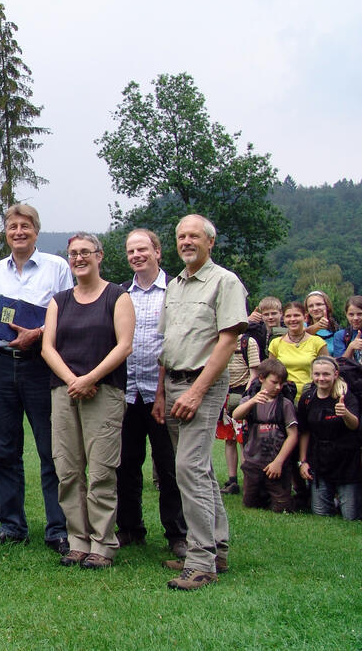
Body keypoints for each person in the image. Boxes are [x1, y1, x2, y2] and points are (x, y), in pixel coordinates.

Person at [154, 214, 247, 591]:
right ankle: (217, 549)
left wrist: (196, 392)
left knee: (189, 469)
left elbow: (227, 341)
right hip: (173, 383)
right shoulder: (175, 285)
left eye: (194, 235)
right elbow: (168, 343)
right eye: (181, 236)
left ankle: (200, 561)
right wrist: (161, 392)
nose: (186, 241)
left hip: (201, 386)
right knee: (201, 471)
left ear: (211, 242)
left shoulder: (225, 282)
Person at [0, 204, 72, 553]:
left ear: (36, 231)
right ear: (6, 233)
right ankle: (13, 525)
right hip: (2, 365)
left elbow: (68, 315)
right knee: (4, 450)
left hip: (40, 365)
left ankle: (58, 528)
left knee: (50, 449)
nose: (19, 232)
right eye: (13, 226)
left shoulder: (57, 267)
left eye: (25, 226)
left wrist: (39, 333)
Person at [41, 234, 134, 568]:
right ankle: (78, 540)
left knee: (101, 471)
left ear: (99, 256)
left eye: (85, 253)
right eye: (73, 254)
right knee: (67, 470)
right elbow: (47, 348)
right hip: (65, 392)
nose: (79, 258)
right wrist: (73, 381)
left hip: (104, 392)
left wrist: (90, 378)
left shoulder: (117, 296)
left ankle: (102, 544)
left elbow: (124, 345)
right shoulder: (59, 301)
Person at [115, 229, 187, 558]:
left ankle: (177, 534)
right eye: (131, 251)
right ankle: (130, 528)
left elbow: (173, 344)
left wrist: (161, 393)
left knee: (169, 466)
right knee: (126, 465)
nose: (136, 255)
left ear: (157, 251)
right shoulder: (121, 294)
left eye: (142, 249)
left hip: (162, 393)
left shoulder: (175, 290)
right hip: (127, 393)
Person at [297, 356, 360, 520]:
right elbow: (304, 431)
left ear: (335, 374)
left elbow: (355, 425)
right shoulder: (307, 398)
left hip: (346, 462)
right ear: (312, 375)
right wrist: (303, 462)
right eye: (317, 374)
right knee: (321, 515)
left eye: (326, 374)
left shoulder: (346, 396)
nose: (321, 378)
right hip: (319, 461)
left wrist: (345, 413)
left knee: (351, 517)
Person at [231, 358, 298, 513]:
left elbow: (293, 435)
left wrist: (279, 462)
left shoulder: (285, 404)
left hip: (276, 462)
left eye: (281, 383)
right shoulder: (249, 400)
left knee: (282, 507)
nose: (278, 387)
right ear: (261, 378)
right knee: (250, 504)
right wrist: (252, 401)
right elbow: (236, 415)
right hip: (253, 462)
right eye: (274, 382)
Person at [218, 318, 261, 496]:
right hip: (224, 394)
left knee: (243, 439)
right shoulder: (220, 340)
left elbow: (254, 372)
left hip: (242, 393)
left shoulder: (248, 342)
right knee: (229, 439)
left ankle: (248, 480)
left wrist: (245, 397)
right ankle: (232, 480)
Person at [267, 302, 328, 399]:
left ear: (305, 317)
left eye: (296, 315)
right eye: (288, 316)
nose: (292, 319)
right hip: (284, 397)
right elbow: (270, 374)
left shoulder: (317, 342)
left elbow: (327, 371)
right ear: (283, 318)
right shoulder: (276, 343)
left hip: (312, 396)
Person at [331, 296, 362, 362]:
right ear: (346, 314)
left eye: (359, 314)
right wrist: (351, 347)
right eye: (351, 314)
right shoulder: (340, 335)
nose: (355, 318)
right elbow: (339, 363)